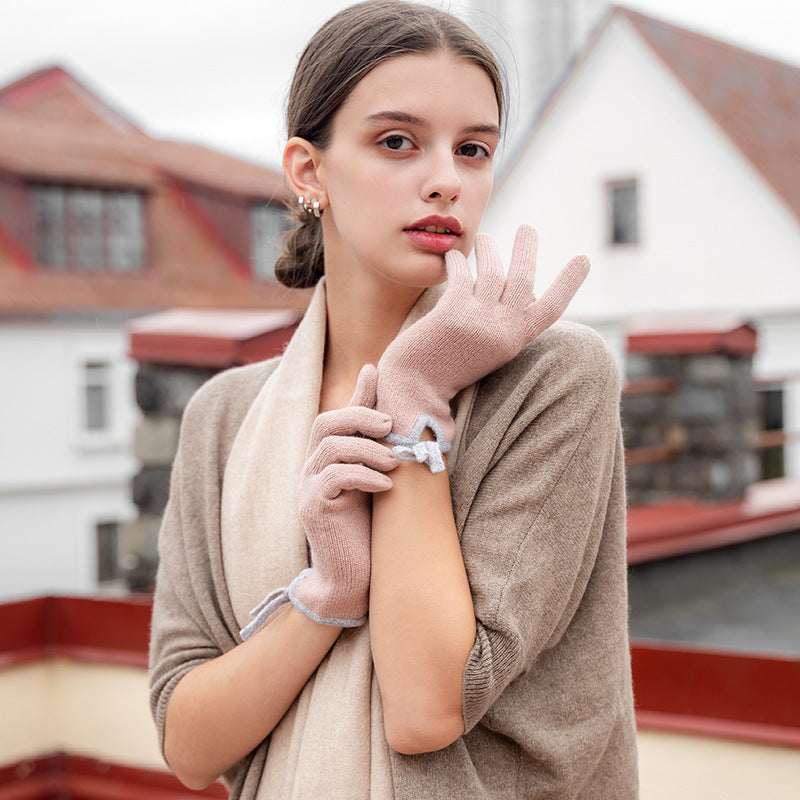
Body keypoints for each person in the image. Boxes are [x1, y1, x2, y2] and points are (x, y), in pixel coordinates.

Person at [148, 1, 639, 797]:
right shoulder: (225, 417)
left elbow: (427, 708)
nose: (446, 179)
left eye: (473, 149)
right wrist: (325, 595)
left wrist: (415, 396)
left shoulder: (554, 381)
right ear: (309, 171)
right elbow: (189, 744)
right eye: (397, 141)